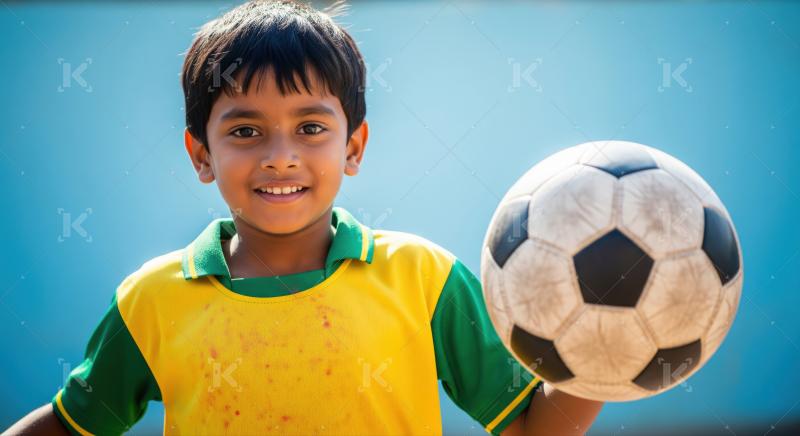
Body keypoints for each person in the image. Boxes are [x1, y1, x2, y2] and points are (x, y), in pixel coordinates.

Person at [5, 1, 602, 434]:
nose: (280, 155)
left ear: (354, 147)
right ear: (201, 155)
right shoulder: (152, 300)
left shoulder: (424, 280)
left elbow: (528, 427)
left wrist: (609, 356)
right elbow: (70, 424)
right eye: (245, 130)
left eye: (311, 128)